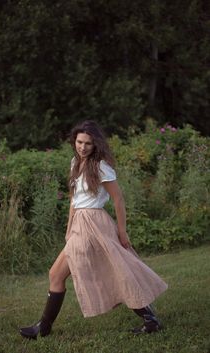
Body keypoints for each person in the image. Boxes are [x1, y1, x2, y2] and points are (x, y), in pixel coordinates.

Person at [19, 120, 168, 340]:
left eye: (88, 143)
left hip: (93, 223)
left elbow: (118, 199)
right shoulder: (74, 162)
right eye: (79, 142)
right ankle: (150, 319)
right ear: (74, 141)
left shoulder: (100, 166)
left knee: (62, 273)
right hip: (80, 223)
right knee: (111, 270)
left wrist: (122, 231)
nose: (83, 147)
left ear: (95, 144)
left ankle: (43, 328)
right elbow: (74, 200)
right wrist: (69, 228)